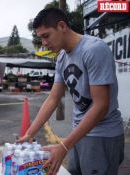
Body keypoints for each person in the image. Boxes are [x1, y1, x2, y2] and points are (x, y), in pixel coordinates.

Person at [18, 8, 124, 175]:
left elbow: (101, 106)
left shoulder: (94, 49)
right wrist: (29, 133)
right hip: (78, 133)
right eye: (40, 38)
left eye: (46, 36)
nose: (44, 43)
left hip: (102, 134)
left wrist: (65, 145)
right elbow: (53, 98)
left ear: (62, 26)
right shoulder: (62, 58)